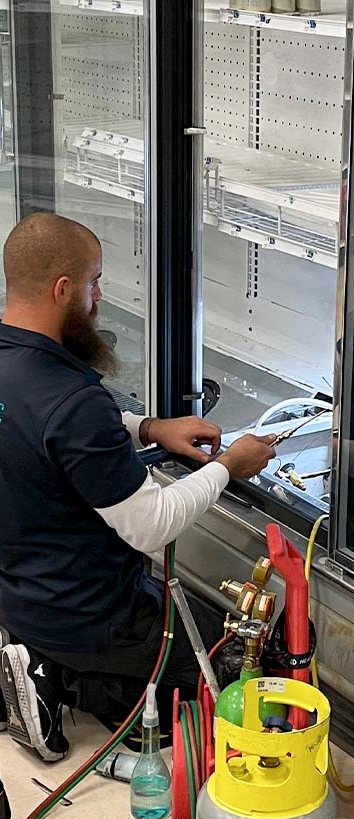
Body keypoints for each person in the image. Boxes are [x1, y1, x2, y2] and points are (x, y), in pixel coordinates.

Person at [0, 213, 277, 761]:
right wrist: (228, 467)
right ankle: (60, 677)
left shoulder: (24, 369)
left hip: (17, 591)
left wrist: (150, 428)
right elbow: (150, 523)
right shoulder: (72, 401)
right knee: (227, 666)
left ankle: (38, 658)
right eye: (93, 281)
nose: (97, 296)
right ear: (63, 290)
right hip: (91, 613)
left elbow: (45, 424)